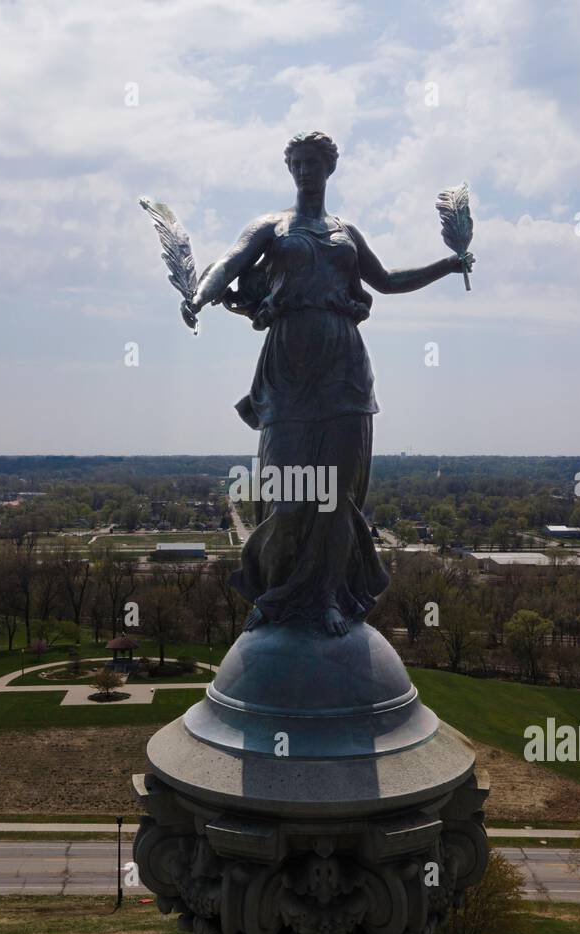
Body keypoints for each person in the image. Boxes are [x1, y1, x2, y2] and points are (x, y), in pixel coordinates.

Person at [183, 131, 473, 636]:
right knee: (286, 488)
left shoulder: (346, 232)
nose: (304, 170)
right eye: (296, 162)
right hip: (289, 368)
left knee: (337, 494)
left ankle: (328, 596)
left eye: (313, 162)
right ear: (288, 168)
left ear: (329, 168)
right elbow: (228, 263)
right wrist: (200, 296)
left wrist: (447, 265)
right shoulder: (271, 227)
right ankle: (276, 593)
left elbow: (387, 281)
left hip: (345, 370)